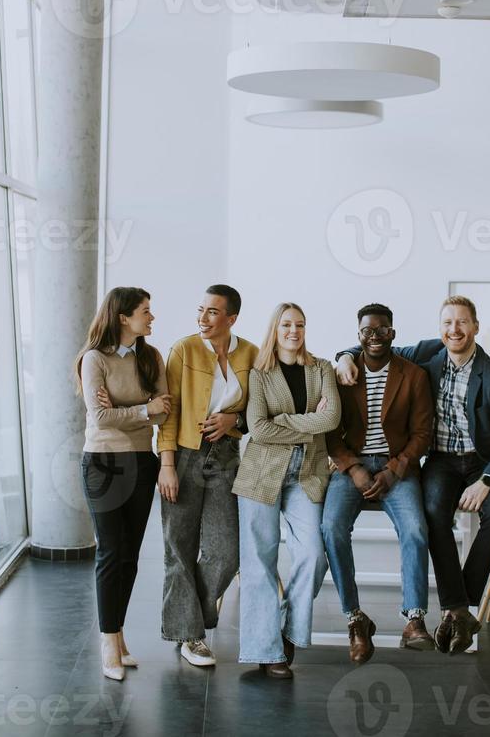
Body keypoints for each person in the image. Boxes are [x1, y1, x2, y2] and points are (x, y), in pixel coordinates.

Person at [335, 295, 490, 654]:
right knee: (433, 511)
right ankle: (457, 611)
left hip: (484, 463)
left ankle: (458, 607)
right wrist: (344, 357)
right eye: (448, 322)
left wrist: (486, 482)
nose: (455, 329)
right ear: (441, 328)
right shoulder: (428, 355)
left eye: (463, 322)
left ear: (476, 327)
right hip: (442, 461)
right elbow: (372, 343)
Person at [232, 303, 341, 678]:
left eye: (300, 324)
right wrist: (311, 425)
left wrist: (284, 421)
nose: (294, 331)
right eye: (286, 325)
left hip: (307, 473)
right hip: (261, 473)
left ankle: (289, 631)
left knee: (313, 553)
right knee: (259, 562)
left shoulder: (321, 368)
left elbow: (332, 417)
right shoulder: (259, 373)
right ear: (274, 329)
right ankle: (267, 650)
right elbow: (257, 429)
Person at [322, 304, 434, 664]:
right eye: (368, 331)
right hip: (351, 465)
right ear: (358, 336)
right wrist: (352, 468)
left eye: (382, 330)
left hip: (395, 467)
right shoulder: (342, 375)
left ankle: (414, 620)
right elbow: (329, 430)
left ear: (393, 334)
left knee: (416, 529)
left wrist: (395, 469)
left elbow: (422, 434)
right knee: (331, 527)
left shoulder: (413, 375)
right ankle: (355, 619)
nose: (375, 337)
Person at [157, 284, 258, 667]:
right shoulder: (182, 350)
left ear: (231, 318)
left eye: (213, 312)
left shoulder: (249, 353)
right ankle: (190, 636)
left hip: (227, 455)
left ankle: (190, 617)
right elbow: (169, 413)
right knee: (177, 547)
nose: (202, 318)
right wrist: (167, 465)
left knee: (226, 550)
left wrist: (236, 419)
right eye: (200, 309)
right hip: (183, 454)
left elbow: (259, 408)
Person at [77, 287, 171, 681]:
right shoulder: (94, 359)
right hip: (102, 463)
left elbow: (166, 412)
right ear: (122, 317)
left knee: (130, 555)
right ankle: (107, 641)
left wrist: (126, 410)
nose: (152, 318)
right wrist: (143, 409)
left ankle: (118, 633)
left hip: (140, 462)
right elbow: (99, 419)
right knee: (111, 553)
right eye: (145, 312)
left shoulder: (151, 357)